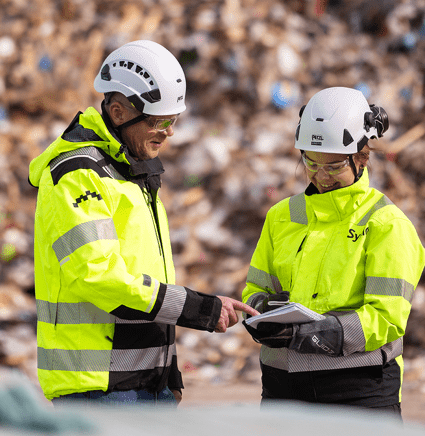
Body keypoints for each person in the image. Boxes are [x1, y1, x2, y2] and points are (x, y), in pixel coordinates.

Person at [28, 39, 258, 406]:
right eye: (161, 122)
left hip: (146, 383)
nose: (170, 133)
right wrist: (200, 309)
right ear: (118, 112)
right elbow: (98, 275)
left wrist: (169, 370)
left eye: (174, 121)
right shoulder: (77, 176)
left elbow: (150, 278)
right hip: (100, 387)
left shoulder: (132, 175)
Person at [242, 87, 425, 419]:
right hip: (283, 390)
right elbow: (255, 291)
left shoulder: (387, 224)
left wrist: (325, 334)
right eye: (310, 163)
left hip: (358, 392)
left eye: (333, 166)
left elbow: (386, 318)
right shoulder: (281, 217)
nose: (320, 176)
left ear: (363, 157)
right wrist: (262, 313)